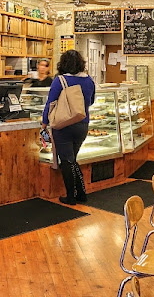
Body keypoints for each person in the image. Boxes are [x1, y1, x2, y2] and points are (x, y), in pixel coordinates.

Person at [41, 50, 95, 205]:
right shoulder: (89, 80)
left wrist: (44, 122)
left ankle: (71, 197)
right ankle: (81, 193)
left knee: (66, 161)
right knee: (72, 159)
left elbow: (50, 103)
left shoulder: (60, 80)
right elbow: (91, 101)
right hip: (82, 125)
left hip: (63, 125)